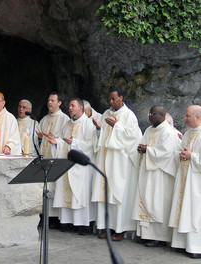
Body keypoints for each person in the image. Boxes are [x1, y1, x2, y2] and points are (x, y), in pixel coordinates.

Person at [91, 86, 142, 241]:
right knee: (104, 194)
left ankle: (119, 229)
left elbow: (133, 138)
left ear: (121, 98)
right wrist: (99, 130)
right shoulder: (106, 113)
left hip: (119, 161)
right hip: (104, 158)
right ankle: (104, 227)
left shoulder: (129, 116)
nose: (111, 102)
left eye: (114, 98)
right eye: (110, 99)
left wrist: (116, 126)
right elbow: (101, 138)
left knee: (117, 194)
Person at [45, 98, 97, 234]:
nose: (70, 108)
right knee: (66, 192)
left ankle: (84, 224)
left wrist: (73, 143)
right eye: (69, 106)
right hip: (67, 164)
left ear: (81, 108)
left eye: (73, 106)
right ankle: (68, 222)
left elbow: (91, 144)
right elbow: (63, 141)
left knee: (81, 193)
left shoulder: (88, 124)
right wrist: (55, 142)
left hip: (82, 167)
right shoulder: (67, 124)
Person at [132, 105, 180, 247]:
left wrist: (148, 150)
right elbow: (142, 143)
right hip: (147, 171)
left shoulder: (168, 132)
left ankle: (158, 236)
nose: (149, 116)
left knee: (158, 203)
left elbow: (166, 153)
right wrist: (141, 148)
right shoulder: (148, 130)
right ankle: (145, 234)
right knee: (145, 200)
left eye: (152, 114)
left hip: (160, 174)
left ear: (161, 115)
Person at [169, 105, 201, 258]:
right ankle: (182, 243)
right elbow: (181, 149)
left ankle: (196, 247)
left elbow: (194, 156)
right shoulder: (188, 134)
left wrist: (192, 156)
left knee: (195, 212)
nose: (185, 118)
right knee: (184, 209)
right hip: (184, 178)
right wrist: (180, 154)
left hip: (196, 182)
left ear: (198, 117)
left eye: (188, 115)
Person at [37, 92, 70, 158]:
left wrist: (55, 139)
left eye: (52, 101)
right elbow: (38, 140)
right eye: (49, 100)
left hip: (55, 155)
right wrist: (40, 137)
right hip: (43, 154)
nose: (49, 102)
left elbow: (67, 140)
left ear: (59, 103)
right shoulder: (44, 119)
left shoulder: (65, 119)